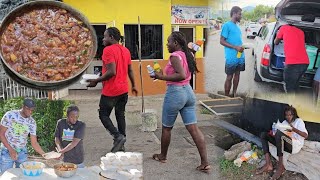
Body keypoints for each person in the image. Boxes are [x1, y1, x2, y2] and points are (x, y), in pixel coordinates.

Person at [151, 31, 211, 173]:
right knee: (194, 129)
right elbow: (186, 76)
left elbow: (181, 75)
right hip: (188, 93)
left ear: (176, 43)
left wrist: (161, 77)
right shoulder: (188, 54)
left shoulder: (175, 56)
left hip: (175, 93)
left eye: (169, 42)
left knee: (166, 128)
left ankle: (163, 156)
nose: (167, 44)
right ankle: (205, 162)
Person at [87, 27, 138, 153]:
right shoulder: (125, 50)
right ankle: (121, 144)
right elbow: (130, 70)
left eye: (105, 36)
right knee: (120, 115)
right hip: (123, 90)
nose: (103, 39)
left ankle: (118, 137)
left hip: (111, 91)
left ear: (111, 37)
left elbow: (112, 72)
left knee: (103, 114)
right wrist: (134, 85)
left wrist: (96, 81)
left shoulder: (108, 50)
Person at [256, 106, 308, 180]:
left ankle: (280, 167)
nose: (288, 117)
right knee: (263, 135)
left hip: (294, 145)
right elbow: (279, 136)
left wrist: (293, 129)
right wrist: (272, 133)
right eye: (286, 115)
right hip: (284, 145)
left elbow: (305, 136)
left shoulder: (299, 121)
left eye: (290, 115)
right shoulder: (284, 123)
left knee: (279, 134)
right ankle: (268, 164)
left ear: (294, 115)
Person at [0, 98, 46, 172]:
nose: (30, 112)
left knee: (22, 175)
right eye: (28, 109)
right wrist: (10, 149)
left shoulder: (32, 122)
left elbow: (34, 143)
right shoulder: (10, 115)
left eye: (32, 110)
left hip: (22, 152)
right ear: (23, 106)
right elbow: (1, 134)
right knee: (6, 175)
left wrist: (45, 155)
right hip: (7, 151)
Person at [274, 25, 309, 94]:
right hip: (305, 62)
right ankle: (297, 102)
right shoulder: (301, 31)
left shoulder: (283, 27)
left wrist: (279, 36)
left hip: (293, 63)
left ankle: (290, 104)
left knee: (289, 87)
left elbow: (276, 42)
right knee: (295, 84)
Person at [220, 6, 245, 97]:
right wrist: (235, 47)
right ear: (234, 13)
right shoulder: (227, 25)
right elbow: (222, 41)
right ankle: (226, 96)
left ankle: (234, 94)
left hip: (240, 55)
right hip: (231, 56)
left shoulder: (237, 27)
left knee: (237, 74)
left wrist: (242, 46)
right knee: (229, 76)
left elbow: (237, 40)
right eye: (239, 14)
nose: (241, 16)